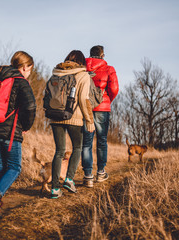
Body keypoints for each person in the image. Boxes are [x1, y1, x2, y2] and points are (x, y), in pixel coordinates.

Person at [0, 51, 36, 225]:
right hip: (10, 132)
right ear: (25, 67)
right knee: (14, 168)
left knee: (0, 166)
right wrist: (26, 127)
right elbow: (30, 107)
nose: (29, 72)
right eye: (30, 69)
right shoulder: (22, 82)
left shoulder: (1, 78)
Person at [47, 50, 95, 199]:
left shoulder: (56, 73)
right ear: (82, 62)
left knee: (59, 151)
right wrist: (89, 120)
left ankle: (55, 188)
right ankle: (69, 179)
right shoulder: (83, 75)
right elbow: (83, 99)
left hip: (55, 117)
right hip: (74, 118)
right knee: (77, 147)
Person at [81, 45, 119, 188]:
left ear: (90, 55)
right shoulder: (109, 69)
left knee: (86, 142)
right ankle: (101, 173)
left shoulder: (82, 68)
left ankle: (88, 176)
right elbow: (114, 88)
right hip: (103, 108)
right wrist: (107, 100)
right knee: (102, 141)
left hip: (86, 107)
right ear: (102, 55)